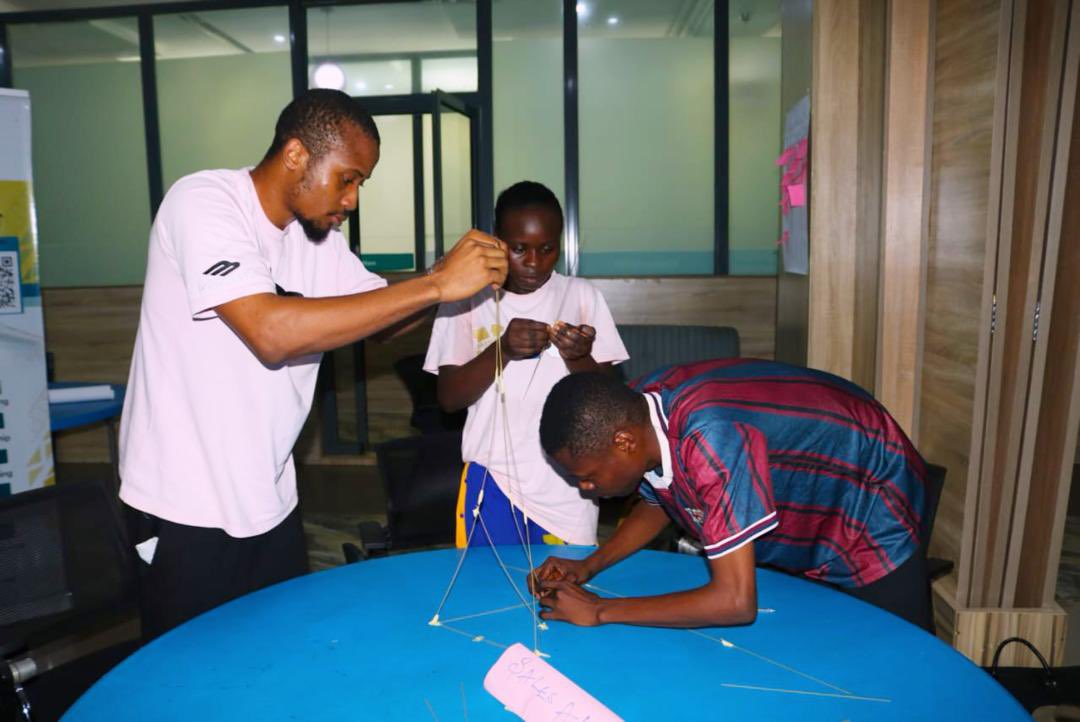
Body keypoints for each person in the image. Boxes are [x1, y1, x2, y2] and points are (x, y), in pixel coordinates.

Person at [119, 89, 508, 640]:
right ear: (297, 154)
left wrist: (449, 277)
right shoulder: (202, 202)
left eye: (360, 183)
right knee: (189, 670)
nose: (352, 199)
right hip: (183, 503)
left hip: (270, 496)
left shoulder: (316, 239)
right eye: (347, 178)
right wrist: (438, 284)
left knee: (275, 654)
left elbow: (382, 317)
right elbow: (270, 333)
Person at [531, 358, 932, 631]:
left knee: (898, 658)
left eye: (587, 477)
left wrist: (599, 609)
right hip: (811, 499)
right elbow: (664, 499)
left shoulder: (710, 438)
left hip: (871, 499)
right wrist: (589, 566)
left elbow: (735, 602)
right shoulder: (636, 413)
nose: (584, 488)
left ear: (623, 442)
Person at [423, 181, 628, 547]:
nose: (534, 262)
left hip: (569, 486)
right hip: (493, 481)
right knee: (489, 579)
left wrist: (578, 357)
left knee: (566, 580)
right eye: (519, 249)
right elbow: (449, 398)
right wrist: (501, 350)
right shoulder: (467, 300)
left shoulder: (581, 296)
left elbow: (613, 406)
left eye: (547, 249)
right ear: (497, 241)